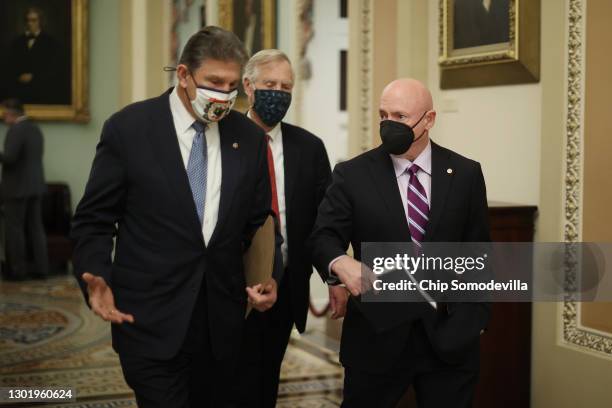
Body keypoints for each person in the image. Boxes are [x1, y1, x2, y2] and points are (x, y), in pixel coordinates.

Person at [70, 26, 281, 408]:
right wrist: (95, 274)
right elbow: (93, 219)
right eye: (213, 82)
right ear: (183, 75)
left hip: (221, 326)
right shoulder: (130, 129)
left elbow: (261, 221)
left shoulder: (247, 139)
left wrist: (270, 277)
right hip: (149, 321)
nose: (222, 95)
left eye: (232, 86)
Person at [310, 79, 491, 408]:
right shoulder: (352, 174)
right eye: (383, 115)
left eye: (400, 116)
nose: (388, 124)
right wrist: (340, 263)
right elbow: (323, 236)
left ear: (429, 120)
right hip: (376, 339)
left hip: (449, 341)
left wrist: (474, 319)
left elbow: (478, 251)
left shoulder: (465, 174)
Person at [230, 49, 339, 407]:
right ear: (248, 86)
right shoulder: (221, 139)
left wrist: (333, 277)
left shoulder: (309, 148)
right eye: (270, 84)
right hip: (231, 286)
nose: (279, 92)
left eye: (286, 86)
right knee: (229, 381)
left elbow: (326, 220)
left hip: (287, 283)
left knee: (265, 380)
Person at [0, 98, 48, 280]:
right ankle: (42, 268)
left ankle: (18, 271)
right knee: (36, 228)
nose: (3, 117)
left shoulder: (16, 130)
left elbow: (10, 158)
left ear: (12, 113)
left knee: (15, 229)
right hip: (36, 186)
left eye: (4, 113)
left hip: (16, 188)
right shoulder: (35, 129)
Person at [7, 7, 65, 104]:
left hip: (42, 93)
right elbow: (9, 67)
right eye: (27, 20)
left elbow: (54, 69)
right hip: (19, 93)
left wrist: (33, 77)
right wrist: (18, 76)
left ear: (40, 22)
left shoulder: (51, 43)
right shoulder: (16, 42)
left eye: (33, 20)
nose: (30, 23)